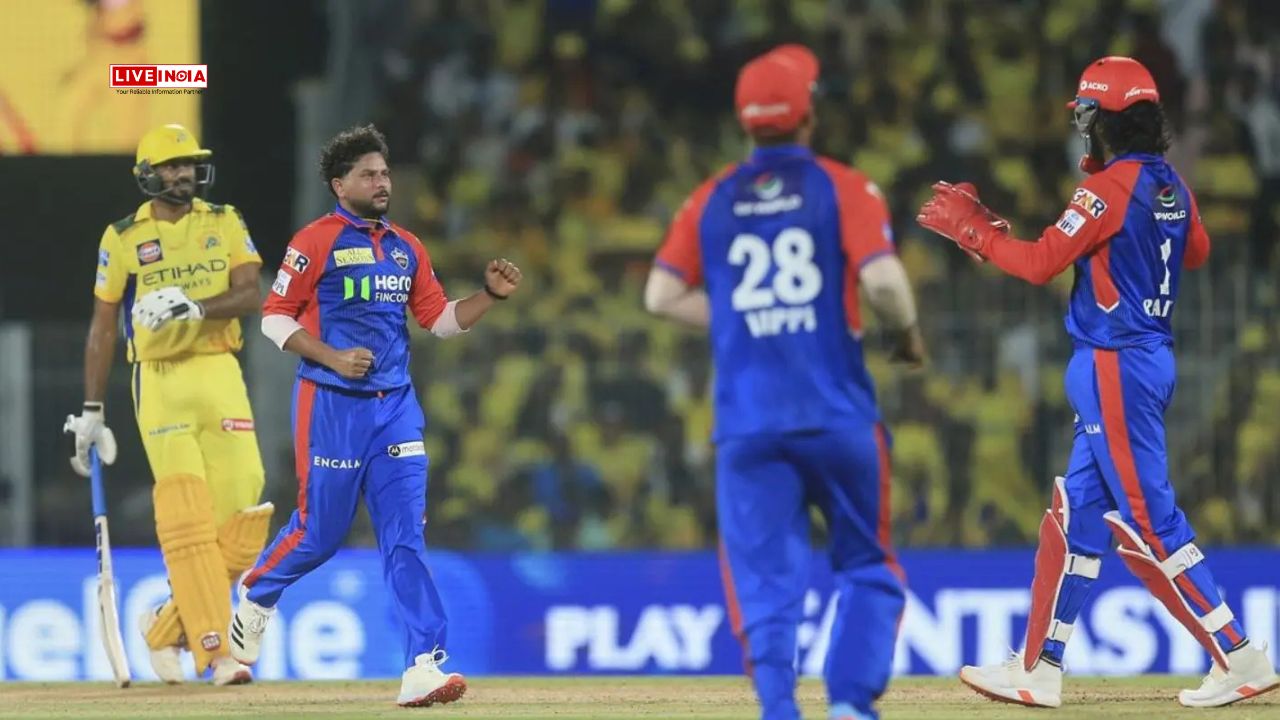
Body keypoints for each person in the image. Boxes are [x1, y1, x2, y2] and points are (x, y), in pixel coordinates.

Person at [917, 56, 1280, 709]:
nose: (1081, 126)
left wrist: (977, 233)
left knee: (1149, 520)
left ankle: (1240, 654)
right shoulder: (1170, 182)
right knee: (1075, 514)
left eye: (1085, 115)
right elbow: (1196, 251)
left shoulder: (1106, 191)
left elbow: (1039, 265)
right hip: (1143, 358)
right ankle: (1038, 668)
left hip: (1114, 364)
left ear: (1099, 119)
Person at [645, 45, 924, 720]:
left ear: (744, 120)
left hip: (748, 425)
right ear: (810, 115)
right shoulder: (843, 186)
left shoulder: (709, 199)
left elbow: (660, 295)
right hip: (839, 416)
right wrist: (905, 334)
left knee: (765, 586)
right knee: (867, 566)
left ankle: (779, 708)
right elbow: (884, 282)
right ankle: (850, 704)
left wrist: (741, 318)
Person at [228, 124, 522, 707]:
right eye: (368, 174)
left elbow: (439, 321)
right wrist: (333, 356)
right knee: (320, 534)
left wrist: (488, 297)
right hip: (330, 405)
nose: (382, 182)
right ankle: (258, 591)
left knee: (405, 537)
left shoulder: (406, 246)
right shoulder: (314, 241)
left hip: (396, 410)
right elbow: (274, 318)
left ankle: (423, 665)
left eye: (385, 173)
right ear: (340, 184)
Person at [64, 123, 272, 685]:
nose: (182, 174)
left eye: (188, 165)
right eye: (171, 166)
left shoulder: (223, 219)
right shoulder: (123, 237)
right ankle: (216, 653)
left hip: (218, 368)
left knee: (244, 510)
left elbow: (251, 294)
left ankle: (163, 626)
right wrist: (92, 411)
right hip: (158, 380)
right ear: (147, 175)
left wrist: (195, 306)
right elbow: (102, 325)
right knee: (187, 517)